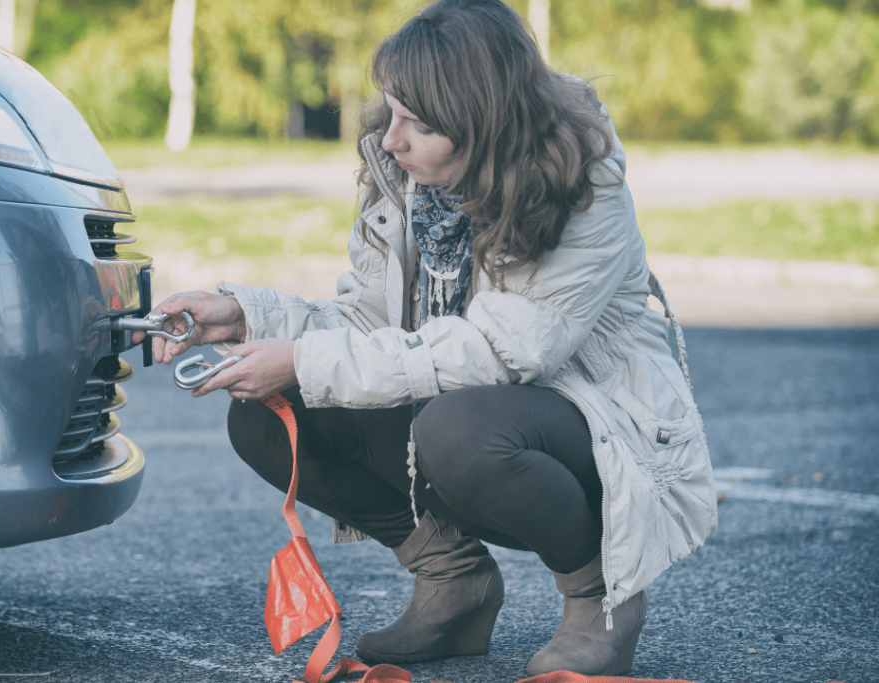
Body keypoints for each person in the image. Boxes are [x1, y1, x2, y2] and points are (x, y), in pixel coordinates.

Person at [135, 0, 717, 676]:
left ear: (484, 123)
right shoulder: (404, 176)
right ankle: (454, 580)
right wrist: (246, 318)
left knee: (457, 428)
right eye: (391, 111)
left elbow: (503, 351)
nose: (391, 141)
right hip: (472, 410)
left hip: (592, 424)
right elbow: (365, 327)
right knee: (268, 417)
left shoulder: (581, 178)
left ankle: (599, 595)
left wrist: (303, 358)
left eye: (418, 124)